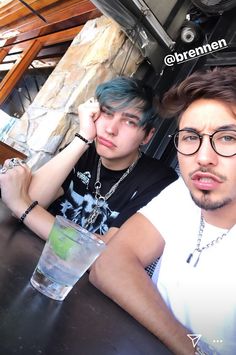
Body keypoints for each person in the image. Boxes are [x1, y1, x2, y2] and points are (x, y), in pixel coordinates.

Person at [89, 67, 236, 355]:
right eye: (191, 137)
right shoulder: (184, 192)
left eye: (228, 138)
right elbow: (108, 265)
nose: (203, 158)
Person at [0, 76, 177, 243]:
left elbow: (103, 251)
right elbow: (30, 198)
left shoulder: (158, 179)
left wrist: (21, 206)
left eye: (129, 122)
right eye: (107, 113)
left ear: (147, 136)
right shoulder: (83, 150)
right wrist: (83, 136)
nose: (111, 129)